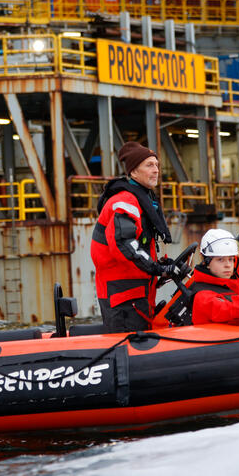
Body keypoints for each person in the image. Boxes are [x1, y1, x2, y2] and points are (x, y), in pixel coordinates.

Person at [91, 141, 174, 332]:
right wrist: (156, 268)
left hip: (134, 294)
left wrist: (163, 266)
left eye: (157, 165)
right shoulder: (125, 201)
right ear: (134, 171)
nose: (156, 170)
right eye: (149, 165)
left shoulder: (139, 198)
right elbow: (124, 243)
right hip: (124, 298)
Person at [164, 228, 239, 327]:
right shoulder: (203, 297)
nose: (228, 265)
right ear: (207, 262)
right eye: (220, 259)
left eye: (231, 259)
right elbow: (233, 312)